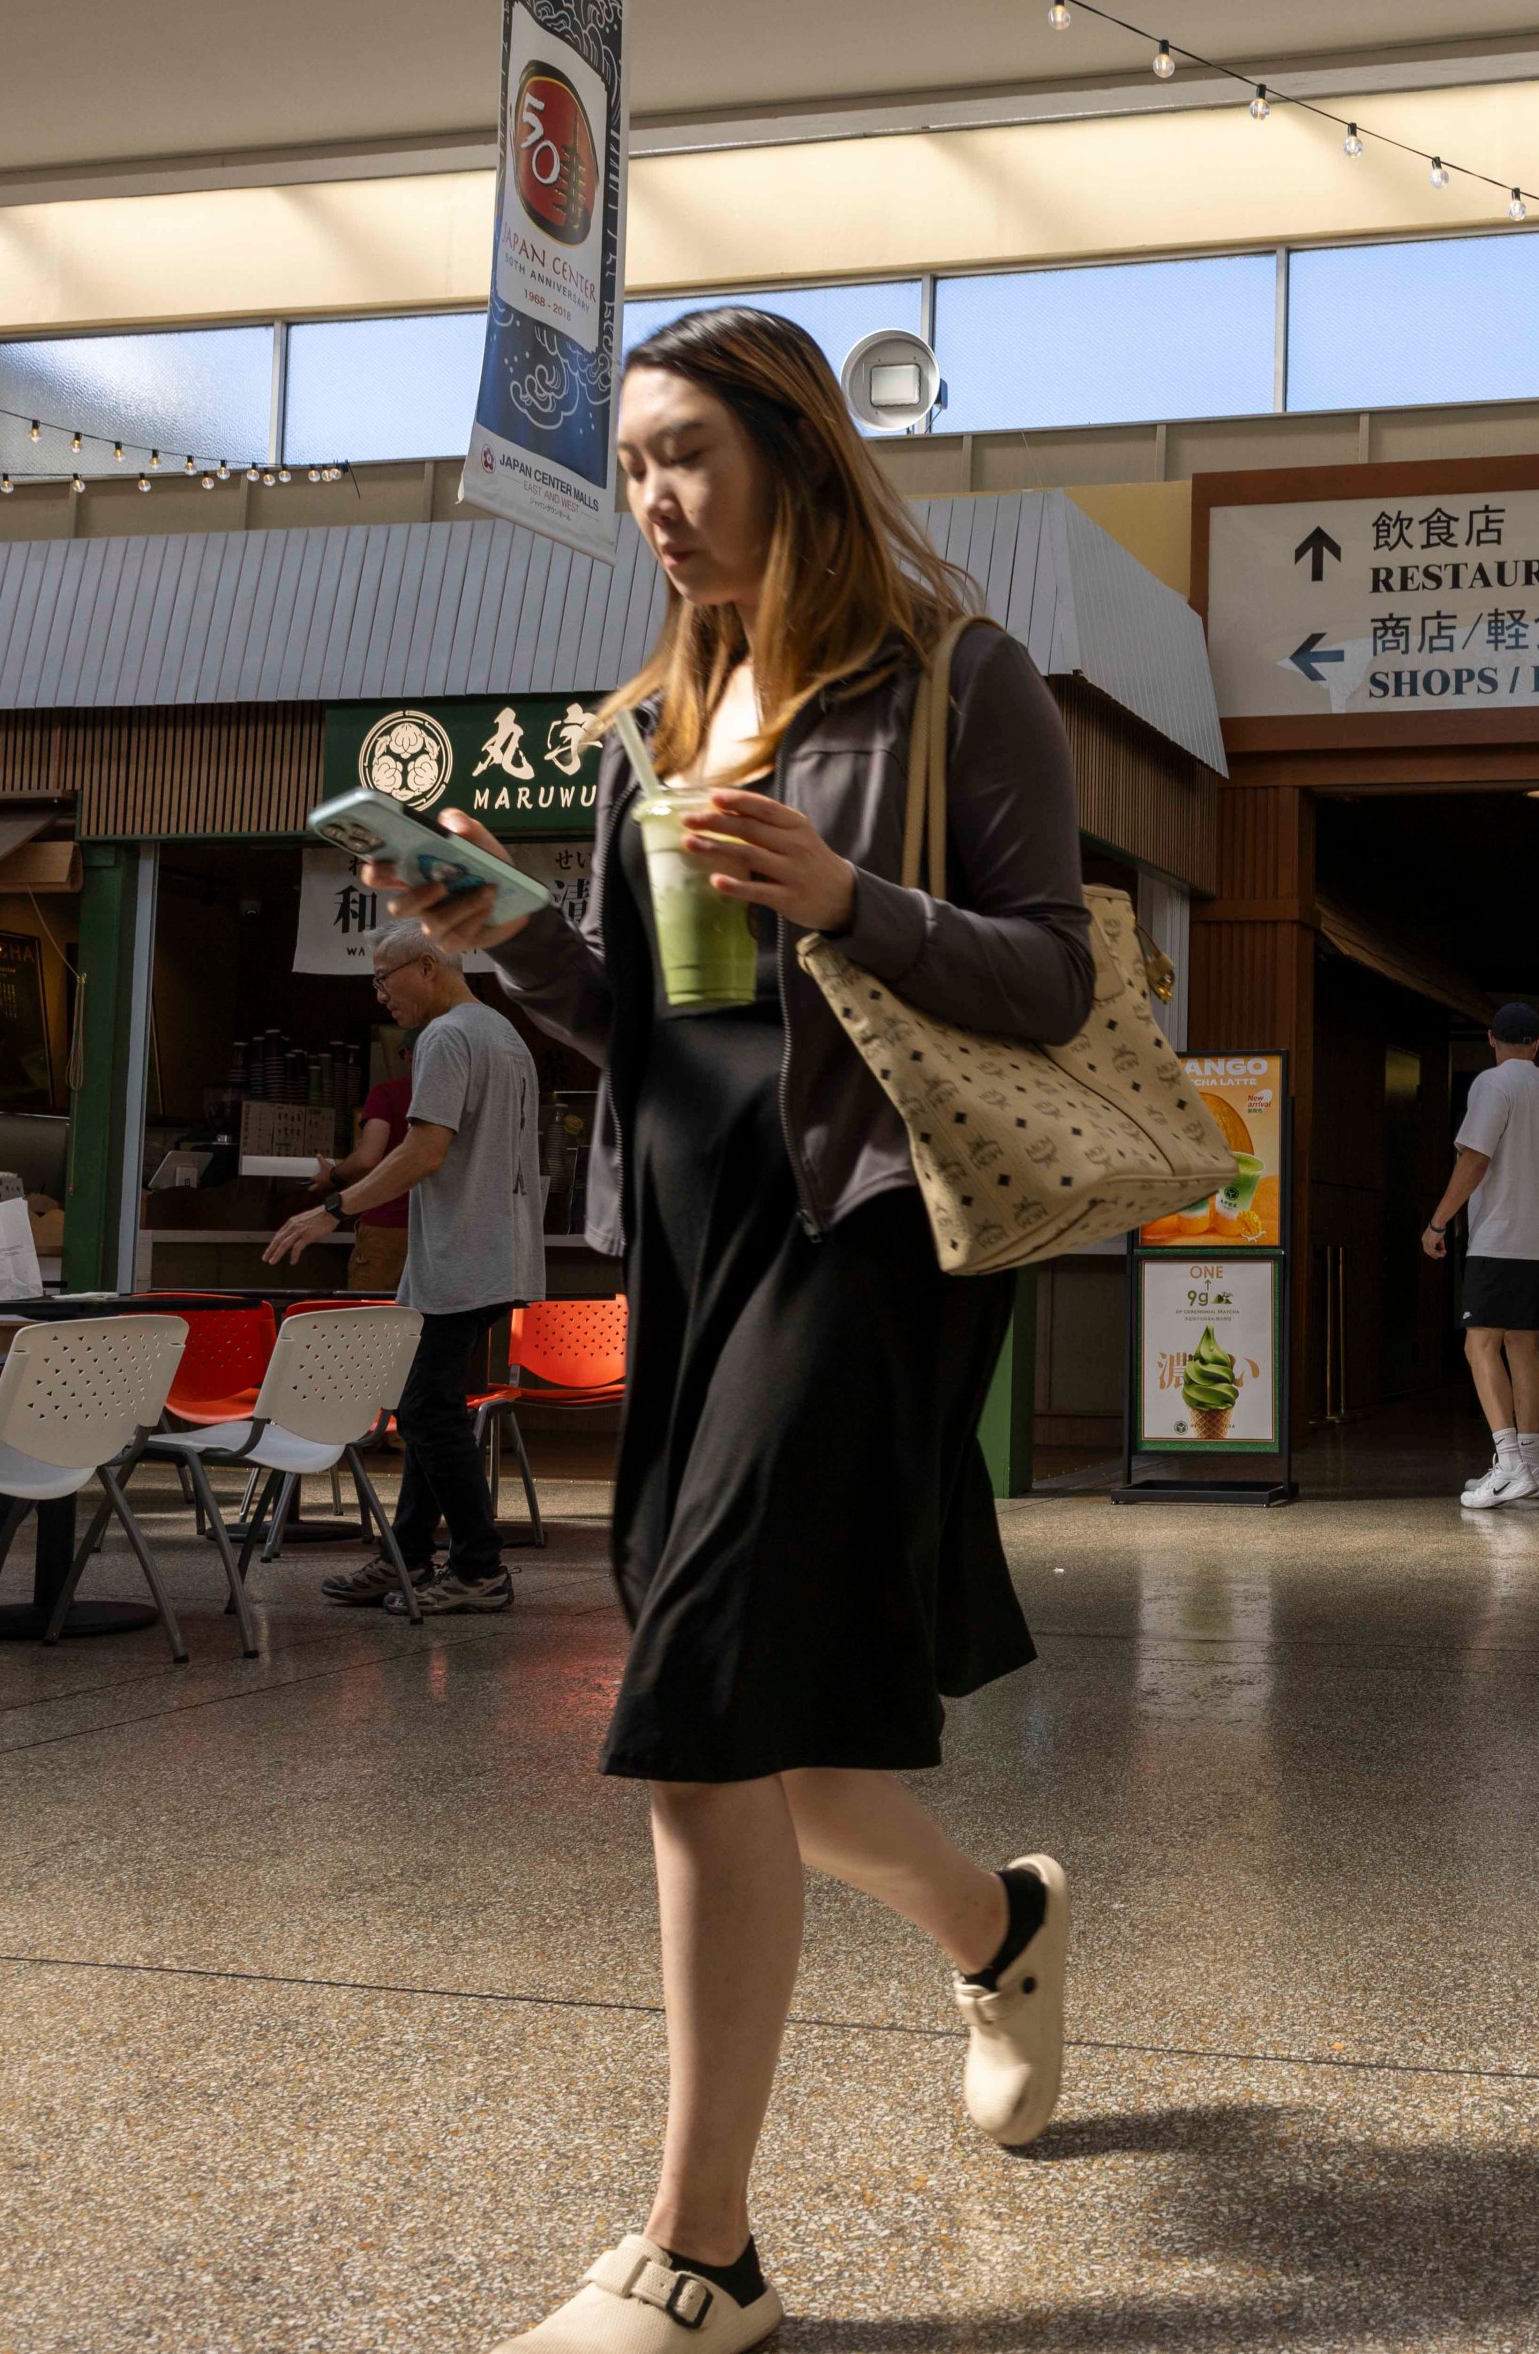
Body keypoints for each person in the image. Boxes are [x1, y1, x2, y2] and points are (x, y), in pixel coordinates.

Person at [379, 306, 1090, 2354]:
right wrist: (517, 942)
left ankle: (705, 2247)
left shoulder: (962, 680)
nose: (653, 499)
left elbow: (1048, 973)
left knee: (701, 1692)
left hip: (860, 1233)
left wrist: (849, 890)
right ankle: (1003, 1925)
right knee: (781, 1746)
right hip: (686, 1241)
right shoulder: (654, 712)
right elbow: (647, 1020)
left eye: (685, 449)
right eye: (628, 464)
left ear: (793, 445)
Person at [264, 922, 542, 1618]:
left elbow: (424, 1152)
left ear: (426, 965)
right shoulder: (503, 1033)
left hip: (461, 1255)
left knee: (424, 1408)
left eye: (385, 978)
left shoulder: (446, 1037)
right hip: (491, 1251)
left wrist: (334, 1207)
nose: (379, 994)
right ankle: (407, 1554)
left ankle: (479, 1564)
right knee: (428, 1404)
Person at [1423, 1001, 1539, 1504]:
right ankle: (1531, 1465)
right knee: (1523, 1346)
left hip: (1500, 1236)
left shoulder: (1493, 1084)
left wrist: (1438, 1220)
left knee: (1479, 1345)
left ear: (1491, 1039)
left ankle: (1509, 1463)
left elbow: (1475, 1159)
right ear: (1538, 1042)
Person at [317, 1066, 416, 1295]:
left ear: (406, 1055)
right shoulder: (459, 1095)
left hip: (387, 1227)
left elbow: (367, 1158)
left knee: (372, 1321)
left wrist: (333, 1176)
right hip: (443, 1233)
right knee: (433, 1322)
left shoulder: (389, 1093)